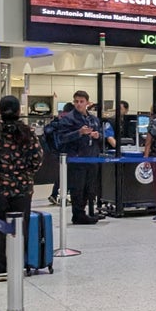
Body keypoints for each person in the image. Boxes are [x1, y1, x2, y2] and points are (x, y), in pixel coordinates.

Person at [0, 96, 43, 281]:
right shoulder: (28, 132)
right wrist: (24, 173)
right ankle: (17, 265)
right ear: (18, 111)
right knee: (19, 229)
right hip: (21, 189)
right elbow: (37, 159)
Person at [54, 91, 101, 225]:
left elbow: (101, 136)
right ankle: (78, 214)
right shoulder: (68, 119)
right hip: (76, 159)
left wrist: (98, 136)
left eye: (81, 101)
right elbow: (61, 138)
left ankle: (84, 212)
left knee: (89, 188)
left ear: (87, 102)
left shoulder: (93, 119)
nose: (79, 104)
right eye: (76, 101)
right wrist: (79, 133)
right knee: (78, 189)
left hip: (91, 158)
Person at [47, 102, 74, 206]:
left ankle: (55, 195)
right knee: (66, 174)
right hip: (64, 151)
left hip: (55, 151)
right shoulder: (67, 121)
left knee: (62, 174)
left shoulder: (57, 120)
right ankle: (60, 195)